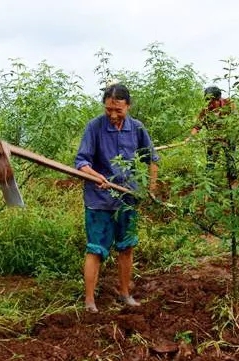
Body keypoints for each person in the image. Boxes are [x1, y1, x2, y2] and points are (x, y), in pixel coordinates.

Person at [75, 83, 159, 313]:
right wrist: (95, 175)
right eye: (108, 109)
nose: (112, 115)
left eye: (118, 110)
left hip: (127, 198)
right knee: (95, 249)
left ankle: (125, 294)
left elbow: (152, 158)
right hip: (99, 199)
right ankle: (90, 301)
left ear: (128, 106)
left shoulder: (137, 129)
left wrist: (150, 188)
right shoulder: (94, 127)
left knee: (126, 247)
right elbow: (81, 162)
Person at [189, 86, 238, 188]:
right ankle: (208, 186)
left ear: (218, 99)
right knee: (210, 163)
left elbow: (235, 121)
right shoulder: (206, 110)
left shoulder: (229, 104)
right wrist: (190, 137)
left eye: (212, 101)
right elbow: (197, 126)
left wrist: (226, 134)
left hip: (228, 138)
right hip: (213, 140)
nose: (209, 104)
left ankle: (232, 184)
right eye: (207, 101)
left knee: (231, 162)